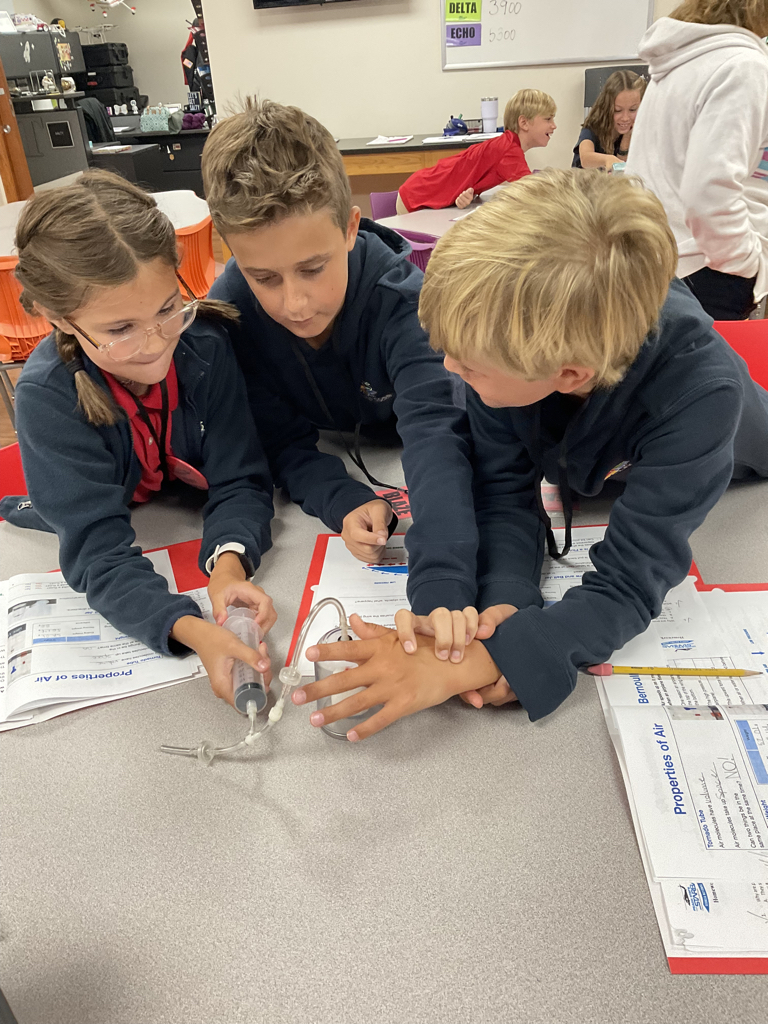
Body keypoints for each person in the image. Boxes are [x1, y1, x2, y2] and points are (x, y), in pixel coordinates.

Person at [290, 169, 768, 741]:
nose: (449, 369)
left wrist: (510, 655)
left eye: (469, 367)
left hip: (741, 470)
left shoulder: (700, 394)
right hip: (606, 458)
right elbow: (502, 491)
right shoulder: (512, 352)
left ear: (568, 374)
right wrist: (504, 606)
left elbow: (632, 579)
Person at [0, 171, 276, 706]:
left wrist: (228, 566)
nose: (155, 344)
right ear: (59, 318)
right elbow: (99, 555)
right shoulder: (47, 397)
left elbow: (241, 479)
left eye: (168, 308)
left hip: (161, 505)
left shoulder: (205, 347)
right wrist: (192, 630)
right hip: (82, 509)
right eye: (120, 329)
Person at [203, 98, 480, 622]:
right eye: (264, 277)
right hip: (341, 462)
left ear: (351, 228)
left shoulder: (404, 302)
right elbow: (278, 443)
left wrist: (441, 596)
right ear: (232, 252)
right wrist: (341, 498)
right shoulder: (232, 314)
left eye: (313, 269)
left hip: (410, 455)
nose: (294, 303)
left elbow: (438, 437)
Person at [625, 0, 768, 320]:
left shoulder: (680, 63)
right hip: (708, 269)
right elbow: (709, 189)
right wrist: (744, 262)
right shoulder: (744, 66)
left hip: (663, 259)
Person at [396, 89, 557, 213]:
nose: (554, 125)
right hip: (417, 196)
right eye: (548, 119)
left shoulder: (507, 144)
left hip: (420, 191)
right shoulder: (509, 150)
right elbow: (535, 194)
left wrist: (468, 195)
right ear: (524, 123)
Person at [572, 69, 646, 170]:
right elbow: (585, 159)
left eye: (632, 110)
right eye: (617, 110)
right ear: (607, 107)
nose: (625, 118)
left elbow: (621, 171)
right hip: (585, 179)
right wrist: (608, 159)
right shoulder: (594, 127)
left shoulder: (640, 128)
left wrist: (627, 138)